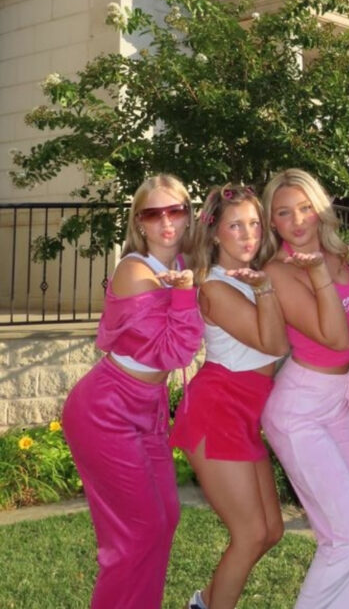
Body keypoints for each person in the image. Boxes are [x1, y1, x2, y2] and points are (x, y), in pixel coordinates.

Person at [61, 174, 204, 609]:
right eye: (153, 213)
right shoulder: (134, 270)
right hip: (106, 410)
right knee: (134, 534)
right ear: (139, 222)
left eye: (175, 210)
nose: (166, 221)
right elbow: (174, 352)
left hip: (147, 408)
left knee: (164, 520)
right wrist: (186, 294)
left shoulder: (181, 263)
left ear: (188, 215)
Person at [259, 169, 349, 609]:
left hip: (335, 399)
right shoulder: (278, 271)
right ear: (272, 222)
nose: (297, 220)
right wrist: (320, 273)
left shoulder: (336, 253)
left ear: (320, 208)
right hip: (300, 409)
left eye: (305, 208)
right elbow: (334, 338)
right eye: (284, 213)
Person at [170, 184, 290, 609]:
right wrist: (266, 290)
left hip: (244, 413)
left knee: (271, 531)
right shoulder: (215, 287)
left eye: (254, 224)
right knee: (251, 533)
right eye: (235, 225)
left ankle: (203, 602)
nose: (248, 234)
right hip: (218, 409)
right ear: (215, 233)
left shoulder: (253, 279)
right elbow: (274, 344)